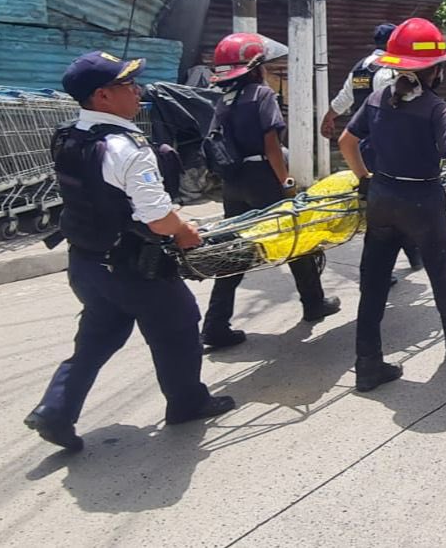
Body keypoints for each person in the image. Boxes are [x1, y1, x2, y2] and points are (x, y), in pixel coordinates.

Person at [24, 51, 235, 452]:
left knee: (96, 337)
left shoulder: (69, 135)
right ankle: (188, 402)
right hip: (135, 268)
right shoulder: (127, 148)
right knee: (178, 326)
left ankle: (55, 409)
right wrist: (185, 230)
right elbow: (158, 218)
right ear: (102, 96)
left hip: (87, 263)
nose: (137, 91)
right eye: (127, 85)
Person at [339, 18, 446, 391]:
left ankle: (367, 365)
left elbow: (346, 143)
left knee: (374, 284)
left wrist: (365, 179)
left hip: (381, 198)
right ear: (434, 70)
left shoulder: (376, 98)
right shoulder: (435, 108)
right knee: (439, 268)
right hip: (421, 202)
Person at [199, 33, 341, 349]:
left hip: (234, 183)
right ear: (255, 68)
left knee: (233, 250)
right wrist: (286, 183)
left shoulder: (225, 99)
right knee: (296, 238)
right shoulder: (261, 95)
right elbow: (271, 145)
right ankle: (313, 302)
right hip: (263, 176)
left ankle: (215, 325)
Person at [320, 23, 421, 272]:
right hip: (385, 147)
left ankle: (413, 255)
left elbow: (345, 98)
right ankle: (380, 269)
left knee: (384, 205)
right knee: (391, 207)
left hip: (363, 147)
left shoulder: (361, 68)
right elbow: (397, 107)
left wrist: (328, 117)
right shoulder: (389, 71)